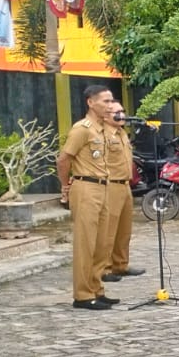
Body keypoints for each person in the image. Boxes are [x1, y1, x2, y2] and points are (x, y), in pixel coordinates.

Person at [57, 85, 128, 310]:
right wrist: (65, 185)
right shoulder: (83, 129)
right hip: (86, 186)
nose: (110, 106)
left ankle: (97, 289)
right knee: (86, 243)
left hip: (104, 187)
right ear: (90, 102)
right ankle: (83, 294)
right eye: (105, 102)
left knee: (103, 243)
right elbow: (64, 159)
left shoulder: (103, 130)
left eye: (111, 101)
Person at [101, 102, 145, 283]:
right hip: (110, 184)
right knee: (108, 229)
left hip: (125, 185)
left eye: (122, 111)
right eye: (115, 112)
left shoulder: (122, 134)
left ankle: (120, 264)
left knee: (124, 229)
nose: (121, 115)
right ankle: (104, 268)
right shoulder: (101, 134)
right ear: (105, 115)